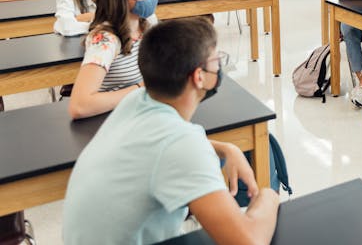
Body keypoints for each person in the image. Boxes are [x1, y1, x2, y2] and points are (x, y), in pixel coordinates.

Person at [63, 18, 279, 245]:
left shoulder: (136, 100)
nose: (219, 67)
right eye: (216, 60)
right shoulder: (181, 145)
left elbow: (157, 145)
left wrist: (226, 148)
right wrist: (269, 197)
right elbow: (249, 242)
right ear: (199, 76)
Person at [68, 0, 157, 120]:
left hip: (141, 110)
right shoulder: (106, 40)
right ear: (123, 0)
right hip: (112, 119)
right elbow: (79, 106)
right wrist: (139, 89)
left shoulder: (146, 25)